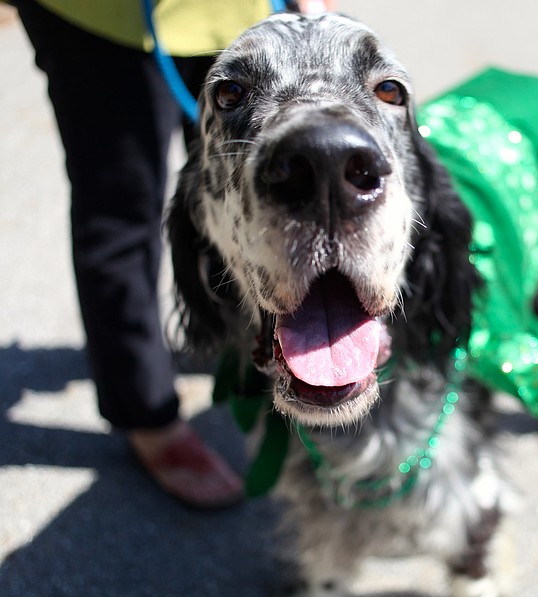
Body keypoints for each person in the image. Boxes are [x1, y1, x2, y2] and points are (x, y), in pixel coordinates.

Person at [10, 0, 332, 508]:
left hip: (238, 12)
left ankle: (249, 345)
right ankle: (147, 414)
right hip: (100, 19)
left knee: (248, 197)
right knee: (121, 213)